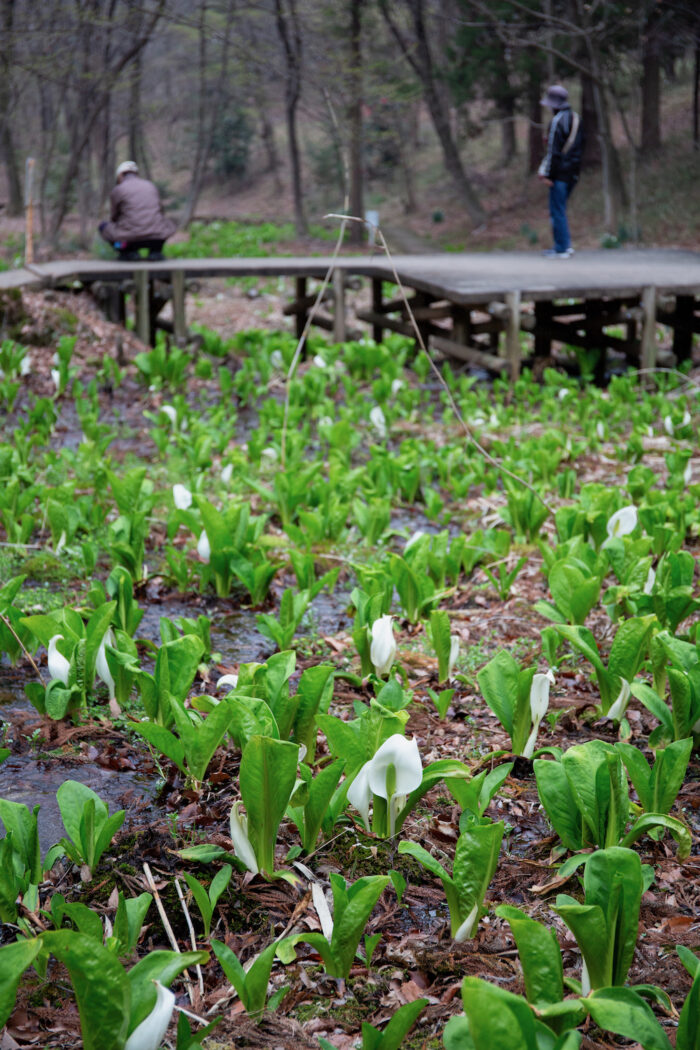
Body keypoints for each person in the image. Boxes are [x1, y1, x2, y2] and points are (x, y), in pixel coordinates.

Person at [538, 85, 584, 258]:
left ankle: (562, 247)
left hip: (559, 174)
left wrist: (548, 174)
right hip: (574, 171)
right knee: (561, 208)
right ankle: (564, 245)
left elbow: (554, 152)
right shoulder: (576, 118)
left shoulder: (557, 121)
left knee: (557, 210)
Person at [98, 161, 176, 261]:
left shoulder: (118, 189)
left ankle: (125, 251)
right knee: (166, 224)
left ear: (120, 175)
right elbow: (161, 212)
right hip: (156, 238)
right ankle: (155, 252)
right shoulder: (151, 186)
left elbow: (114, 217)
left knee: (103, 227)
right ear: (136, 174)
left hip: (128, 240)